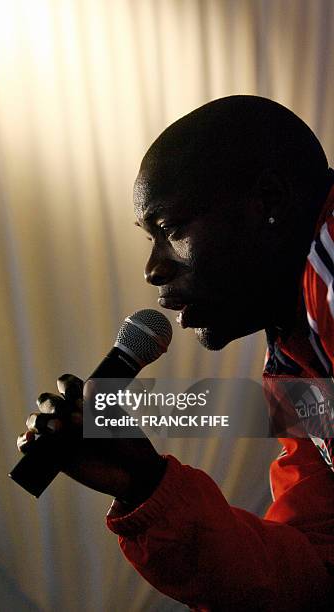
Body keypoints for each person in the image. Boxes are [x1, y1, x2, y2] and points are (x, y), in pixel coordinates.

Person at [17, 96, 334, 610]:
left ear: (269, 199)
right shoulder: (295, 352)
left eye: (169, 229)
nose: (152, 270)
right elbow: (311, 575)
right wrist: (147, 488)